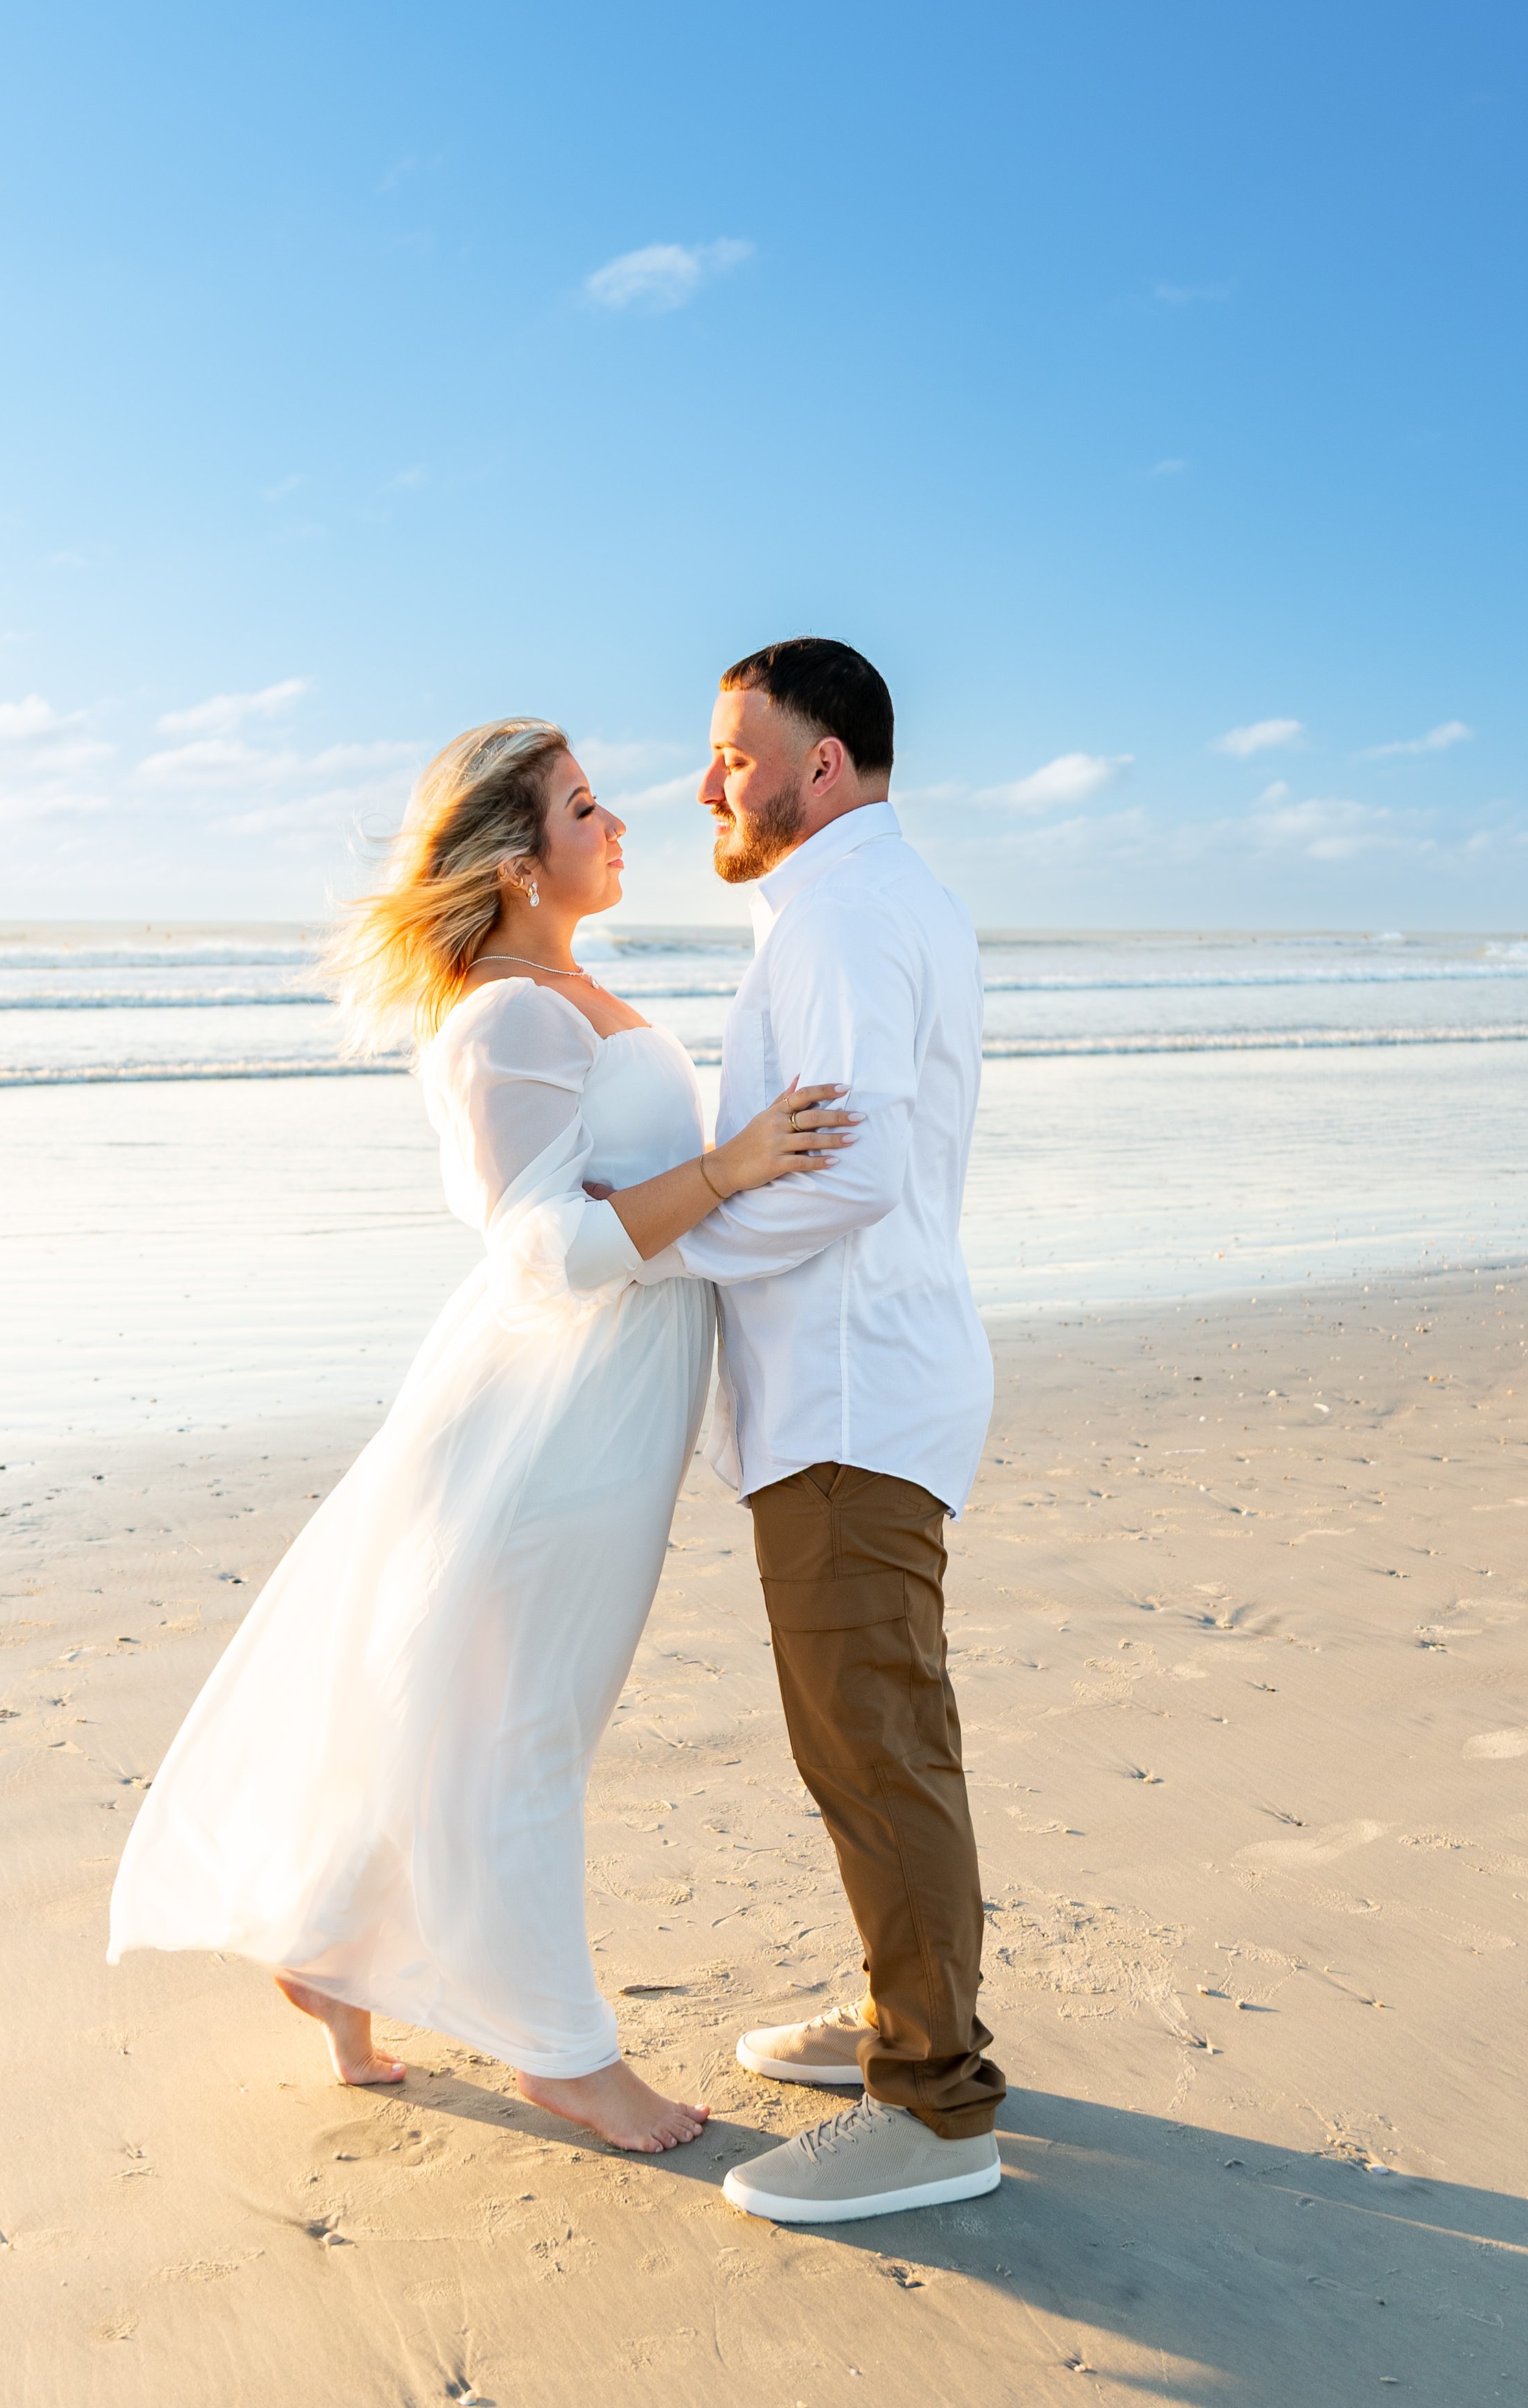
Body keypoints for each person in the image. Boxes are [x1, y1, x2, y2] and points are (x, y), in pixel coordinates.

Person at [107, 719, 855, 2155]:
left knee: (475, 1698)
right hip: (555, 1409)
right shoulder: (504, 1016)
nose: (621, 820)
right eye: (586, 806)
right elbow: (541, 1252)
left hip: (606, 1396)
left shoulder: (573, 990)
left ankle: (328, 1946)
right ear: (518, 866)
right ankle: (561, 2053)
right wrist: (733, 1162)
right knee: (526, 1722)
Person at [632, 637, 1006, 2224]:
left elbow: (847, 1170)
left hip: (854, 1394)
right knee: (867, 1738)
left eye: (735, 751)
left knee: (874, 1746)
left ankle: (930, 2105)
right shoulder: (857, 900)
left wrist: (663, 1239)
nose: (709, 781)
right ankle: (900, 2016)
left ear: (822, 766)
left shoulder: (847, 910)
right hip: (855, 1383)